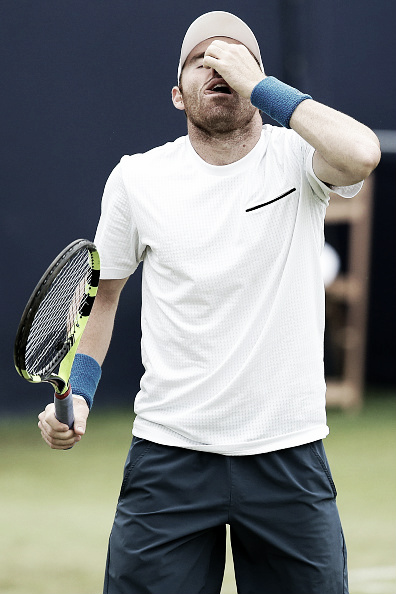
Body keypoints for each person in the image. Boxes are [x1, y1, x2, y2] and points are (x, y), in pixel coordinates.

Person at [38, 10, 381, 594]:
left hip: (288, 453)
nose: (217, 65)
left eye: (233, 57)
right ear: (178, 94)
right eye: (201, 59)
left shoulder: (300, 158)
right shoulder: (137, 178)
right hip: (169, 456)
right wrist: (83, 394)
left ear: (259, 81)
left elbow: (363, 153)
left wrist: (263, 88)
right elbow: (104, 297)